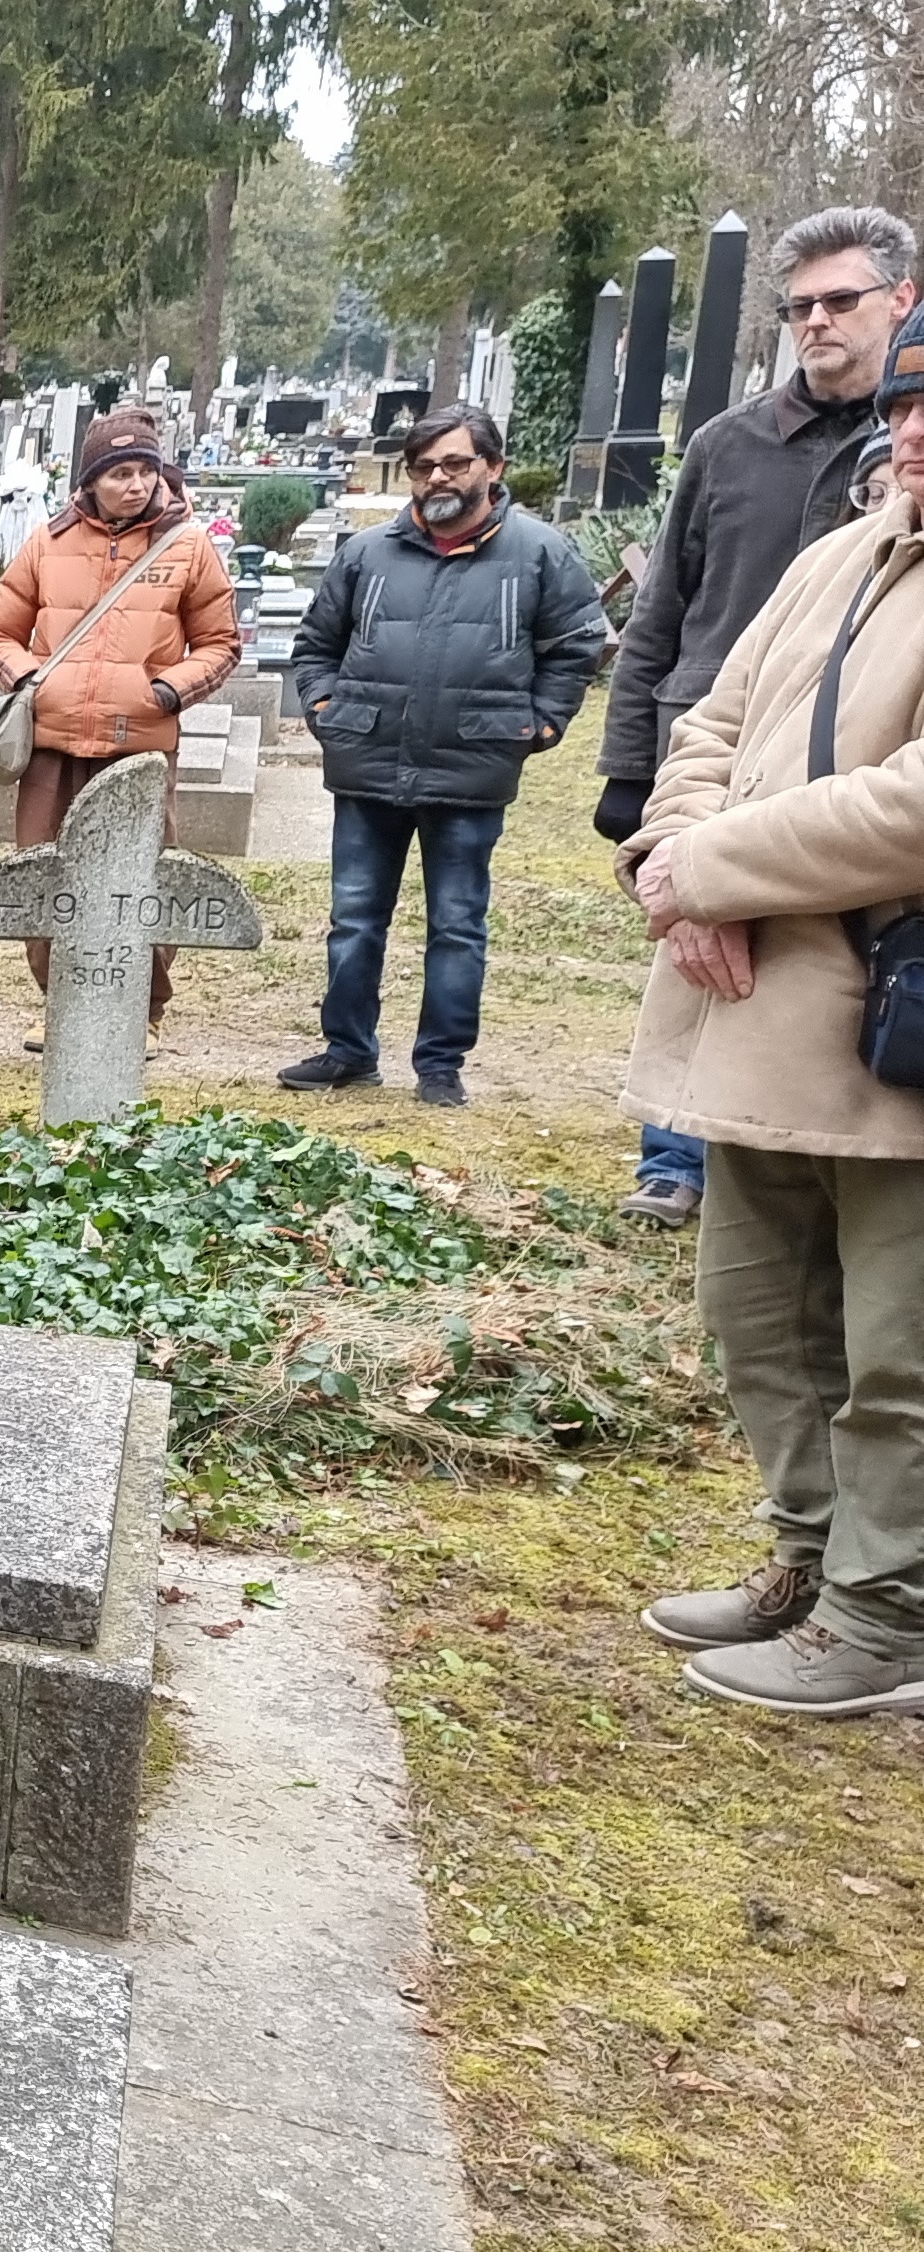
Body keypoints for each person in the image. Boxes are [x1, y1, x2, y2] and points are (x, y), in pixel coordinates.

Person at [620, 305, 924, 1718]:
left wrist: (714, 869)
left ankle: (887, 1614)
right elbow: (711, 726)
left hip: (896, 1025)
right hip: (758, 1004)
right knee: (760, 1311)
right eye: (907, 407)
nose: (913, 435)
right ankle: (809, 1557)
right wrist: (679, 864)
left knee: (897, 1348)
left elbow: (910, 803)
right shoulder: (839, 555)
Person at [601, 206, 916, 1226]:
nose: (815, 321)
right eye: (798, 307)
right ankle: (676, 1154)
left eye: (839, 300)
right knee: (712, 961)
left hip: (848, 799)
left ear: (902, 301)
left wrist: (704, 863)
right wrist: (634, 777)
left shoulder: (897, 467)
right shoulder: (728, 444)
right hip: (715, 761)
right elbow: (664, 613)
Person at [274, 405, 613, 1106]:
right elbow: (316, 645)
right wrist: (326, 709)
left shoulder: (539, 552)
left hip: (473, 762)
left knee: (457, 925)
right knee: (354, 918)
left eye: (455, 463)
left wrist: (544, 722)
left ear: (493, 467)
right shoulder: (367, 553)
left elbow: (579, 642)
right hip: (369, 759)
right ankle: (348, 1051)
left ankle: (440, 1064)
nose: (438, 478)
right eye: (423, 466)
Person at [0, 407, 244, 1035]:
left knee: (140, 877)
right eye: (120, 473)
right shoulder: (48, 542)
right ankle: (61, 1005)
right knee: (46, 874)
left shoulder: (187, 546)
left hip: (139, 745)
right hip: (53, 743)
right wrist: (31, 681)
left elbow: (220, 643)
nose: (136, 485)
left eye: (145, 470)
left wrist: (167, 691)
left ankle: (140, 1012)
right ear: (91, 480)